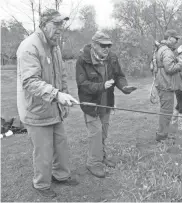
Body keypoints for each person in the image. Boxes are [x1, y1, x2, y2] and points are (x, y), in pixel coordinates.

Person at [16, 9, 80, 198]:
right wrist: (56, 95)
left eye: (62, 25)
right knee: (43, 151)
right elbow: (29, 82)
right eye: (56, 24)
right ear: (43, 25)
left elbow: (61, 76)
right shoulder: (29, 47)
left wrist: (64, 97)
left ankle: (61, 176)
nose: (60, 29)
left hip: (53, 107)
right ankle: (42, 185)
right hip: (35, 110)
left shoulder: (55, 46)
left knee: (60, 145)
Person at [75, 31, 137, 178]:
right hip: (91, 104)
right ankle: (93, 163)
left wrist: (124, 87)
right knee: (95, 133)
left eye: (109, 45)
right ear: (94, 45)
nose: (106, 48)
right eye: (103, 45)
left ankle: (101, 156)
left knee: (103, 131)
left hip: (106, 102)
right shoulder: (82, 60)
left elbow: (119, 76)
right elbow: (82, 84)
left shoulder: (112, 58)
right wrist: (102, 86)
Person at [154, 29, 182, 142]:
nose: (177, 41)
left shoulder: (163, 48)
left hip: (163, 84)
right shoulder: (167, 51)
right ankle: (162, 137)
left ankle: (163, 134)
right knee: (166, 112)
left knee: (166, 111)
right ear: (169, 38)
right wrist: (180, 62)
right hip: (165, 85)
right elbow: (170, 69)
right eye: (176, 38)